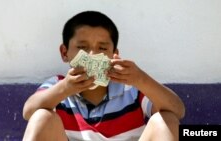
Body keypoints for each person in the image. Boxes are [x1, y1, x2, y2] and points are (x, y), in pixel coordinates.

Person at [22, 11, 185, 141]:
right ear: (65, 53)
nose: (92, 55)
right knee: (42, 116)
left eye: (102, 48)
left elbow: (177, 111)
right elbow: (28, 111)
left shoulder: (132, 89)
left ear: (114, 55)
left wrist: (141, 79)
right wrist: (65, 89)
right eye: (82, 47)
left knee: (166, 121)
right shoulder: (58, 87)